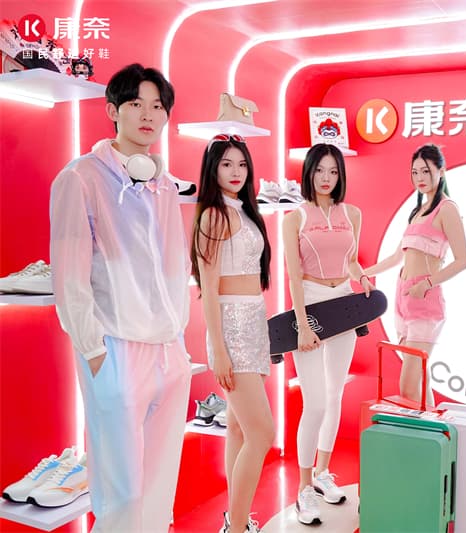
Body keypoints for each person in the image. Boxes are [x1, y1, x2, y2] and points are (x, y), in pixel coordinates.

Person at [49, 63, 191, 532]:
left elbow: (174, 264)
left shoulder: (164, 184)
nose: (148, 115)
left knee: (158, 487)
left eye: (158, 106)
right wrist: (93, 350)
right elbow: (69, 276)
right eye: (135, 104)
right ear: (113, 110)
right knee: (121, 495)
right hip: (115, 349)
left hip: (169, 351)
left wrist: (179, 337)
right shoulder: (80, 178)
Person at [282, 143, 375, 526]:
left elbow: (350, 261)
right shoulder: (295, 217)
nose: (326, 178)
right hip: (310, 305)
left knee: (335, 395)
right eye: (320, 170)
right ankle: (303, 488)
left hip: (344, 305)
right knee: (316, 402)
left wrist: (362, 277)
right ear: (308, 172)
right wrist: (302, 324)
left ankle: (322, 473)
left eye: (333, 171)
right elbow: (293, 275)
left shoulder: (352, 214)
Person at [190, 134, 274, 533]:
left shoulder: (246, 210)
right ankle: (237, 526)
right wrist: (220, 350)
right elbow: (208, 287)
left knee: (240, 428)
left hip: (254, 321)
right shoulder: (212, 215)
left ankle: (235, 521)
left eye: (241, 164)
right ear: (213, 169)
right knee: (262, 432)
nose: (235, 171)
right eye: (226, 164)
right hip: (232, 326)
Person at [364, 144, 466, 405]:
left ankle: (429, 429)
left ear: (441, 171)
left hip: (425, 302)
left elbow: (463, 260)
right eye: (415, 172)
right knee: (421, 380)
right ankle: (432, 430)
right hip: (403, 299)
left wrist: (427, 284)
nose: (419, 178)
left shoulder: (447, 208)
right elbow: (396, 258)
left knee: (408, 386)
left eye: (426, 171)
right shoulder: (417, 212)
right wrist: (363, 273)